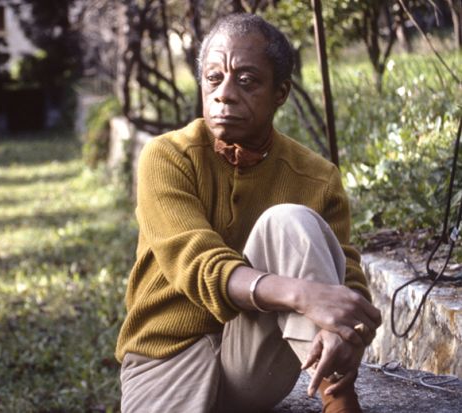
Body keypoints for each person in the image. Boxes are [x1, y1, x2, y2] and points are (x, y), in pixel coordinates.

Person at [115, 13, 381, 413]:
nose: (224, 93)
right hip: (166, 358)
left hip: (254, 363)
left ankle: (338, 400)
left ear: (281, 92)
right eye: (212, 78)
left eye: (246, 80)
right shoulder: (167, 156)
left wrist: (344, 332)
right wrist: (302, 294)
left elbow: (346, 280)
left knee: (290, 221)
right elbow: (199, 263)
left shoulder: (317, 177)